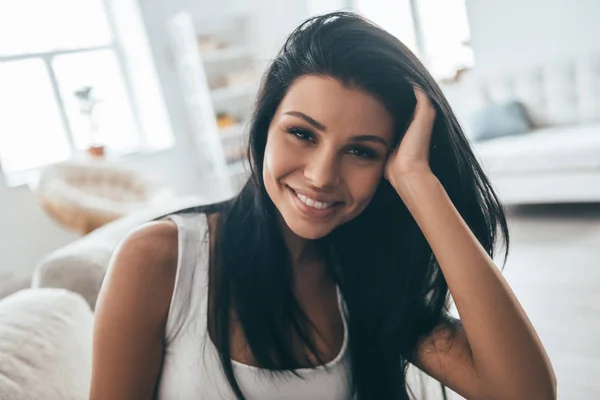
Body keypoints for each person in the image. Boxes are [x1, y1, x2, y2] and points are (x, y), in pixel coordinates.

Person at [90, 12, 556, 400]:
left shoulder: (368, 277)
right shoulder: (160, 261)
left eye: (362, 151)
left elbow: (524, 393)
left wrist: (419, 181)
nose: (321, 175)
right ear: (263, 127)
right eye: (302, 134)